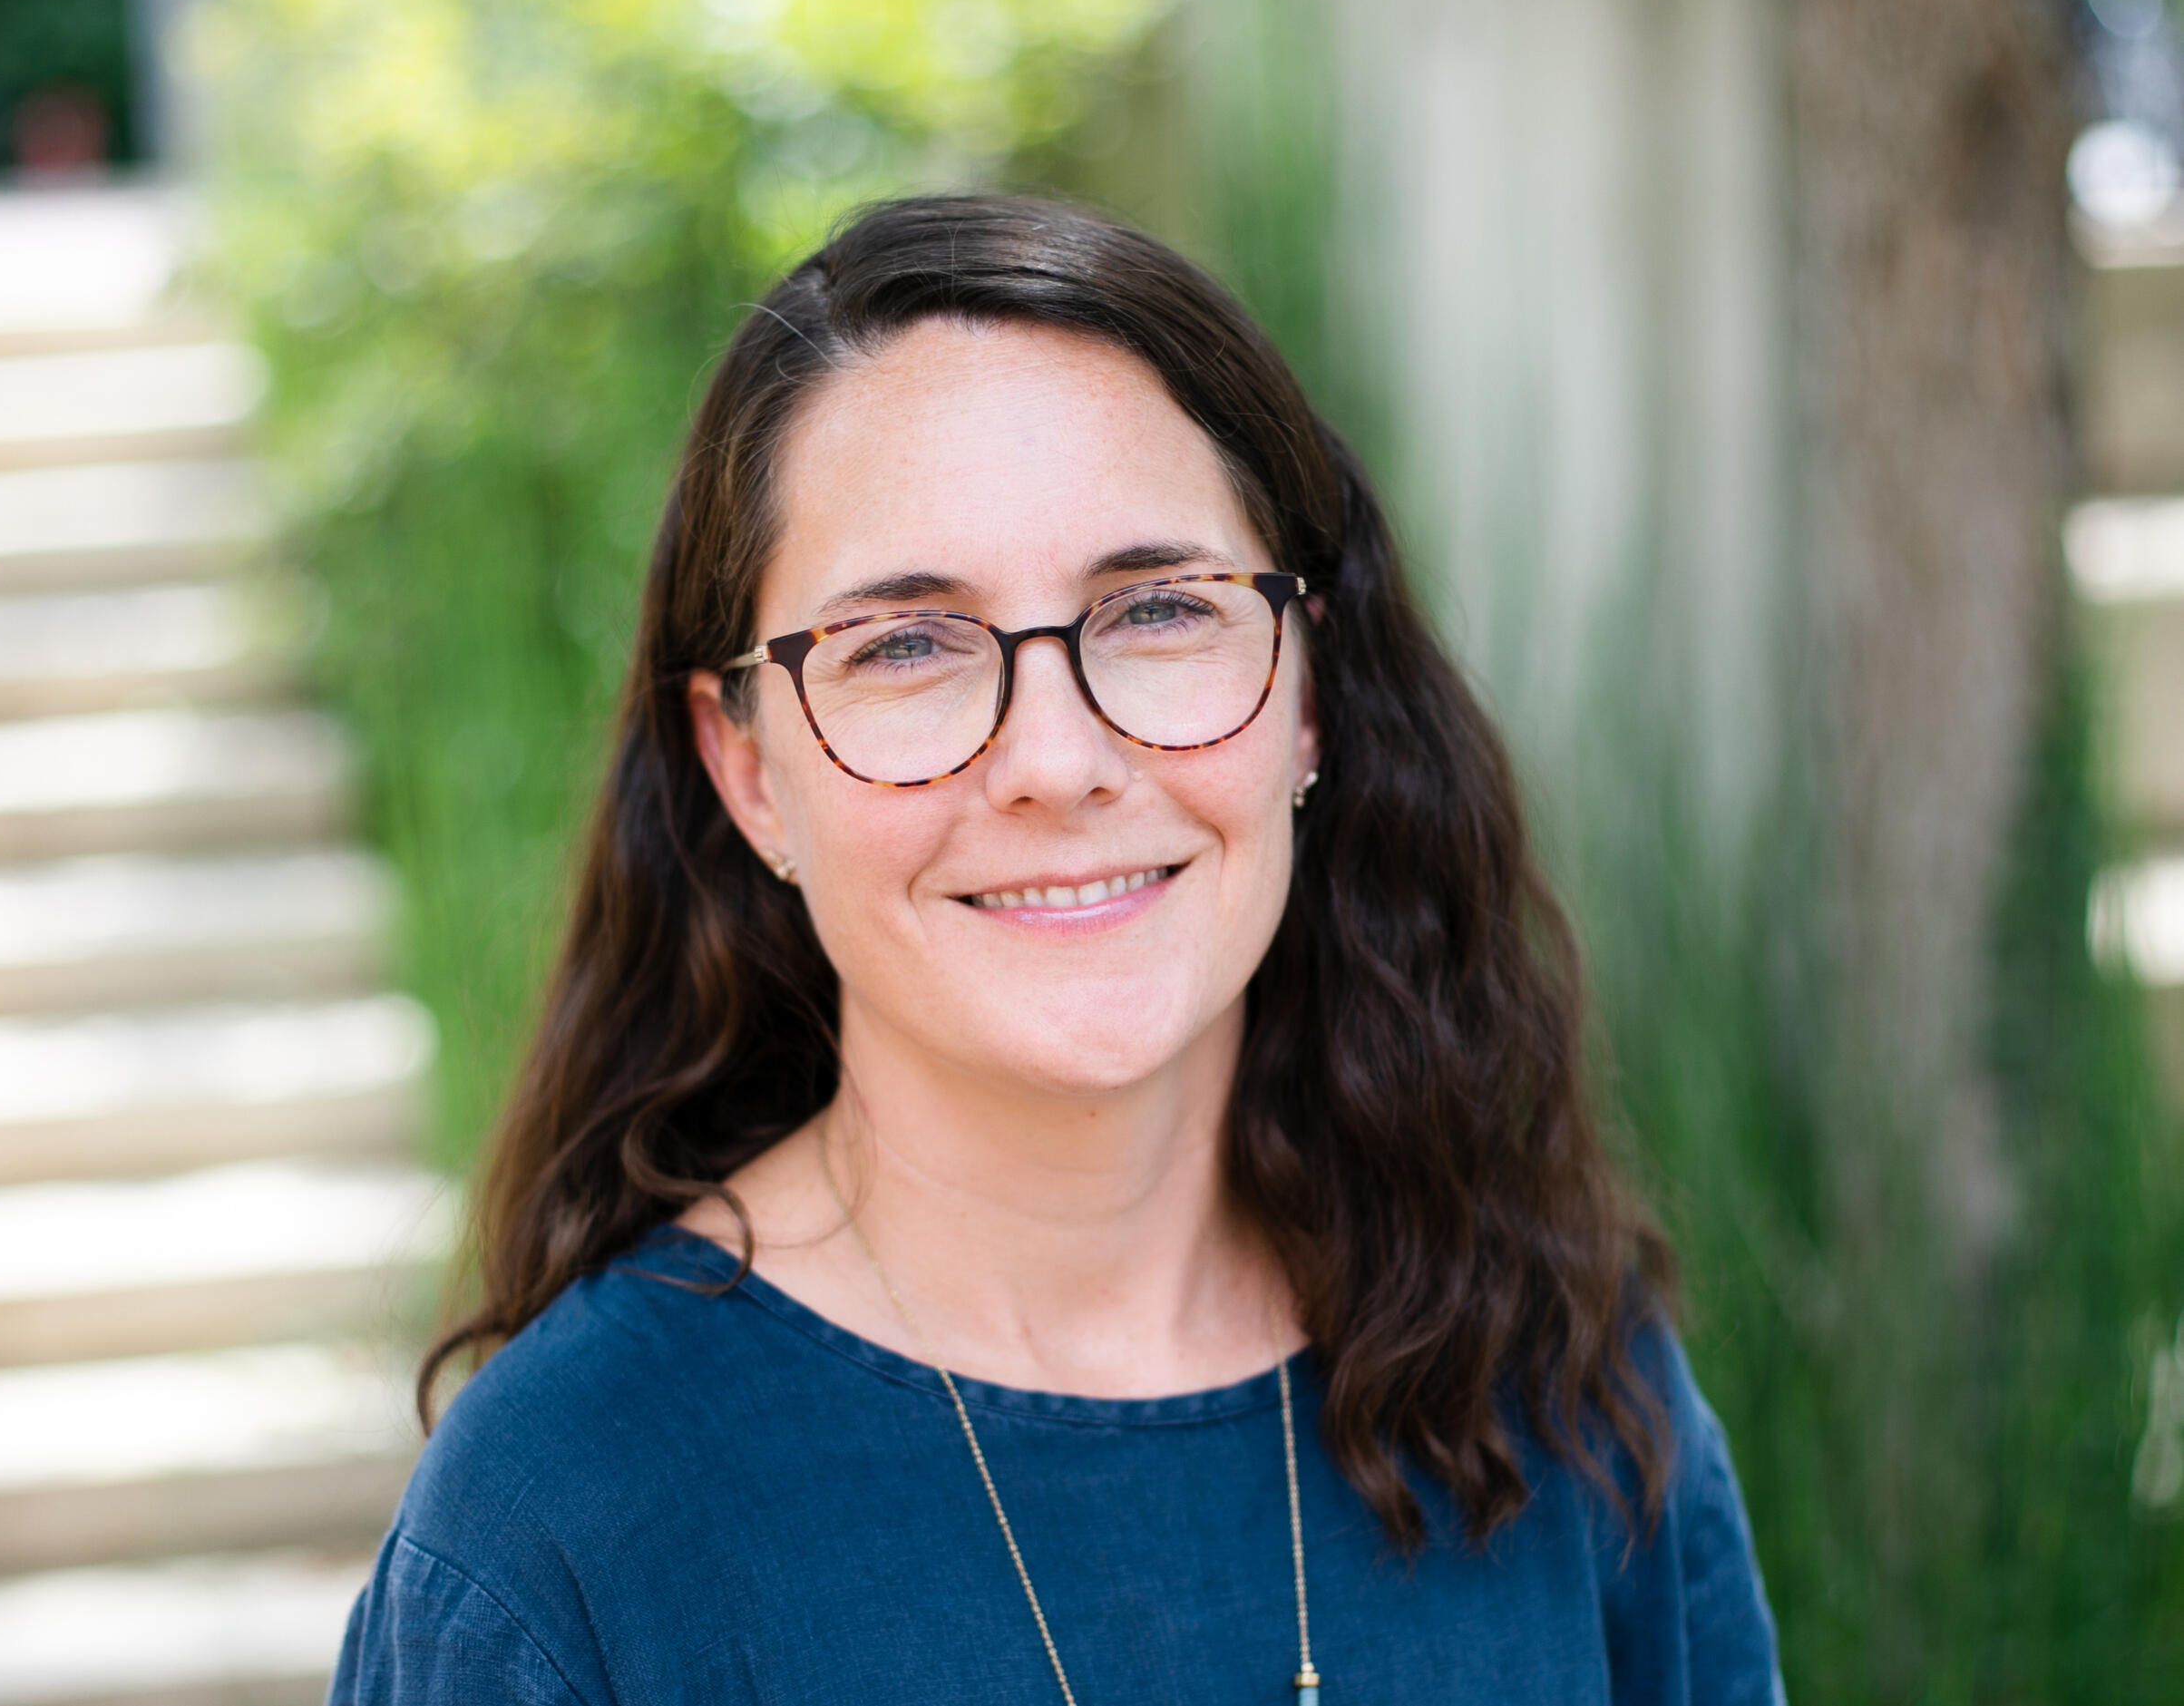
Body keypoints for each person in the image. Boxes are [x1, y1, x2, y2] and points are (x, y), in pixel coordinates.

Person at [330, 195, 1783, 1704]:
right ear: (749, 766)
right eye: (905, 643)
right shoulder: (564, 1524)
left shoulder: (1564, 1389)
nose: (1056, 757)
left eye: (1158, 607)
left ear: (1305, 691)